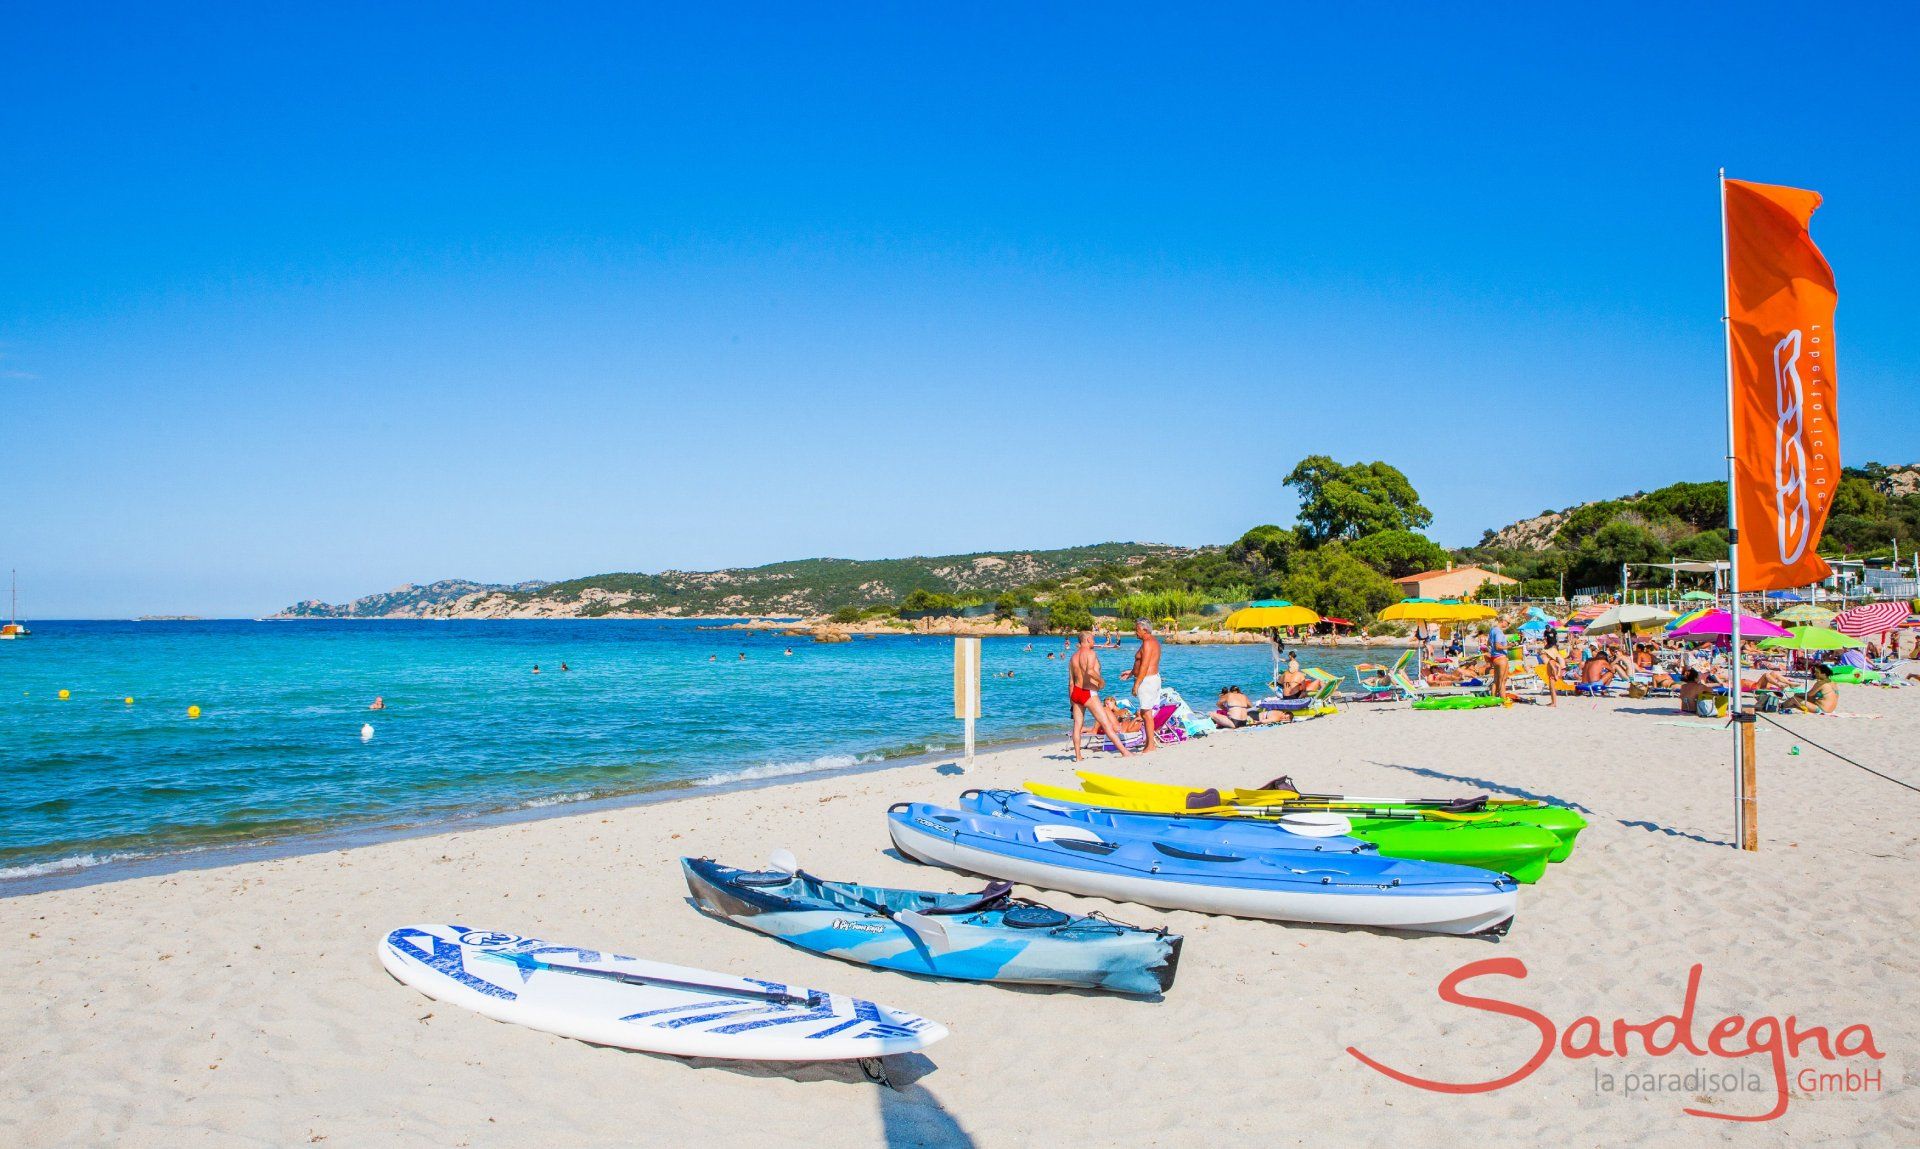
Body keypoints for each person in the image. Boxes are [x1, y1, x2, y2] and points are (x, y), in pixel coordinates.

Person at [1068, 631, 1132, 760]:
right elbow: (1090, 671)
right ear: (1087, 640)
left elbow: (1071, 683)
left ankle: (1078, 756)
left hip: (1076, 693)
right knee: (1106, 724)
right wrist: (1101, 682)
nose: (1094, 641)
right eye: (1092, 639)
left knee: (1077, 726)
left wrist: (1072, 702)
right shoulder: (1090, 653)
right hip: (1088, 692)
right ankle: (1125, 752)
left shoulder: (1073, 657)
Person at [1120, 619, 1164, 753]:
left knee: (1146, 713)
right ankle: (1149, 744)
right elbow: (1144, 663)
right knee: (1147, 712)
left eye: (1137, 629)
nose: (1135, 632)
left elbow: (1144, 666)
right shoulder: (1152, 641)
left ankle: (1151, 745)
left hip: (1147, 680)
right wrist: (1132, 672)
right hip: (1151, 678)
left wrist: (1136, 684)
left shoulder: (1148, 643)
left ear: (1145, 630)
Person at [1486, 620, 1510, 699]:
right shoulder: (1499, 632)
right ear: (1503, 621)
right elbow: (1498, 646)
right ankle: (1503, 699)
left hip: (1495, 657)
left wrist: (1492, 651)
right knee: (1502, 681)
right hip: (1501, 657)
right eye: (1508, 623)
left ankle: (1493, 699)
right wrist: (1509, 646)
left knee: (1496, 680)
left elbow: (1488, 643)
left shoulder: (1492, 630)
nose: (1508, 625)